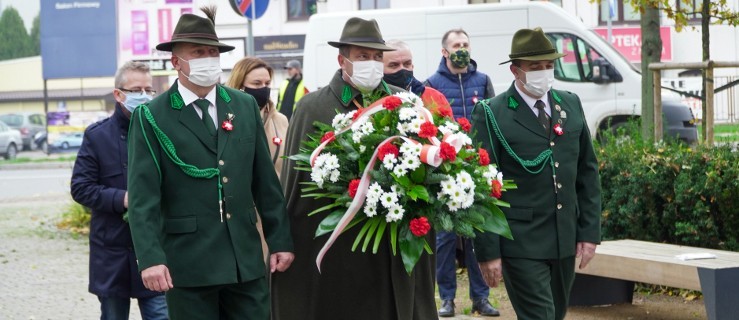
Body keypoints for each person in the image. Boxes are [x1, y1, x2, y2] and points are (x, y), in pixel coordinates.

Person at [126, 6, 294, 320]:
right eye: (198, 52)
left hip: (243, 258)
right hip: (189, 264)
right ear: (176, 61)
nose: (208, 59)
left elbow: (264, 182)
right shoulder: (152, 116)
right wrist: (150, 258)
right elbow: (143, 197)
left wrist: (279, 239)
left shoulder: (242, 105)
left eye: (213, 52)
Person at [272, 17, 437, 320]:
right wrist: (284, 242)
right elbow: (295, 187)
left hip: (389, 246)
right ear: (342, 60)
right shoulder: (314, 106)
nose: (371, 63)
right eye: (362, 56)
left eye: (376, 56)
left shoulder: (403, 105)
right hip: (337, 249)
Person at [470, 27, 602, 320]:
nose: (544, 72)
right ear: (516, 70)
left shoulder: (569, 103)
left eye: (548, 65)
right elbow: (483, 186)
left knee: (554, 315)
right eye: (535, 67)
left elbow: (587, 174)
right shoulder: (492, 112)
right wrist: (488, 250)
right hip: (521, 241)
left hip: (564, 238)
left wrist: (588, 232)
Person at [71, 61, 168, 320]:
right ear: (118, 94)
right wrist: (124, 199)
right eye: (137, 90)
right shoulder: (97, 136)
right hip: (111, 252)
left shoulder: (163, 133)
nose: (145, 96)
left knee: (160, 315)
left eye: (149, 90)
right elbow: (81, 188)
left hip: (153, 251)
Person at [424, 28, 499, 317]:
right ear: (444, 51)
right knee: (444, 239)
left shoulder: (483, 81)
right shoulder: (432, 84)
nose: (462, 49)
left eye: (465, 44)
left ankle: (481, 299)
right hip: (445, 170)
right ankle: (447, 299)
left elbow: (493, 124)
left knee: (476, 235)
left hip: (475, 169)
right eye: (456, 45)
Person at [226, 57, 288, 177]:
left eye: (267, 83)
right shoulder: (225, 118)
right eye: (257, 83)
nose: (264, 88)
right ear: (239, 85)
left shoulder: (280, 120)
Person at [381, 39, 447, 105]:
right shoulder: (373, 99)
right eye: (394, 65)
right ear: (380, 69)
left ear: (412, 66)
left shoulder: (434, 98)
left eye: (407, 64)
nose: (402, 69)